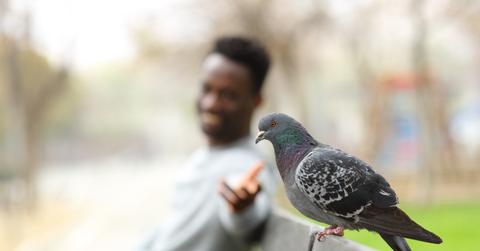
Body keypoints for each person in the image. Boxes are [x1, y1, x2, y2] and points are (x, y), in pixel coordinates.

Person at [138, 36, 276, 251]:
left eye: (228, 95)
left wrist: (241, 209)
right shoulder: (204, 157)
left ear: (256, 100)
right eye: (206, 89)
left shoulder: (248, 165)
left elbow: (246, 215)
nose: (211, 103)